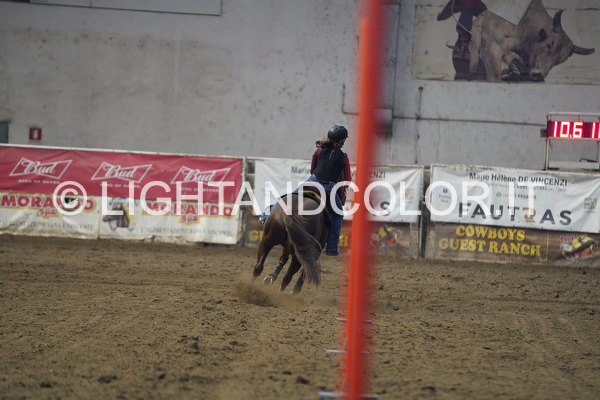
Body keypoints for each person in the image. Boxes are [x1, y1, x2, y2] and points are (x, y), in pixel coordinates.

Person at [306, 124, 352, 256]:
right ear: (342, 140)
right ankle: (332, 247)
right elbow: (347, 180)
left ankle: (266, 215)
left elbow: (312, 170)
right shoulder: (343, 156)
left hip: (312, 181)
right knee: (338, 215)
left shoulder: (318, 151)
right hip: (329, 187)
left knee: (290, 196)